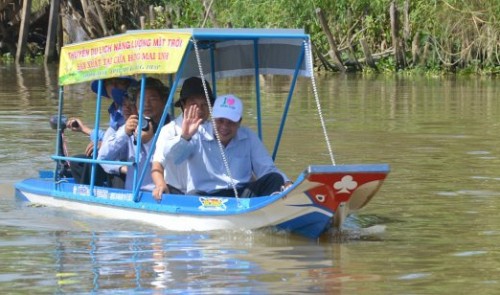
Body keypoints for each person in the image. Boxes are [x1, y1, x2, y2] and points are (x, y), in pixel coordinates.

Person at [162, 94, 292, 198]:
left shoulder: (248, 136)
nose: (224, 127)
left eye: (231, 122)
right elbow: (174, 159)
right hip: (205, 196)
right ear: (213, 119)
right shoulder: (197, 133)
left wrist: (286, 183)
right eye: (220, 121)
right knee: (193, 196)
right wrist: (185, 136)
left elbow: (266, 168)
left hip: (240, 195)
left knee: (274, 179)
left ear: (239, 122)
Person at [98, 77, 170, 191]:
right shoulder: (130, 127)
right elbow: (102, 157)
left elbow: (174, 163)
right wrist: (124, 133)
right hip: (133, 195)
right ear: (136, 104)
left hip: (163, 193)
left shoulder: (174, 128)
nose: (146, 104)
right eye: (141, 99)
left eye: (153, 99)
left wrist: (150, 141)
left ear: (164, 101)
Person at [151, 77, 215, 200]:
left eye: (204, 104)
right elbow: (157, 165)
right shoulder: (169, 130)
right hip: (176, 193)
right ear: (183, 104)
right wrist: (160, 185)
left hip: (208, 193)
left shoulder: (215, 129)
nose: (200, 110)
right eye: (194, 105)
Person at [66, 76, 137, 186]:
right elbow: (113, 135)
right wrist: (84, 129)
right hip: (114, 155)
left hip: (125, 160)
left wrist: (103, 144)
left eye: (119, 83)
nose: (114, 87)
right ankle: (88, 192)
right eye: (110, 83)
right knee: (78, 162)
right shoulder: (115, 110)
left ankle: (92, 193)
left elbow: (126, 138)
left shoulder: (132, 109)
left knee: (91, 161)